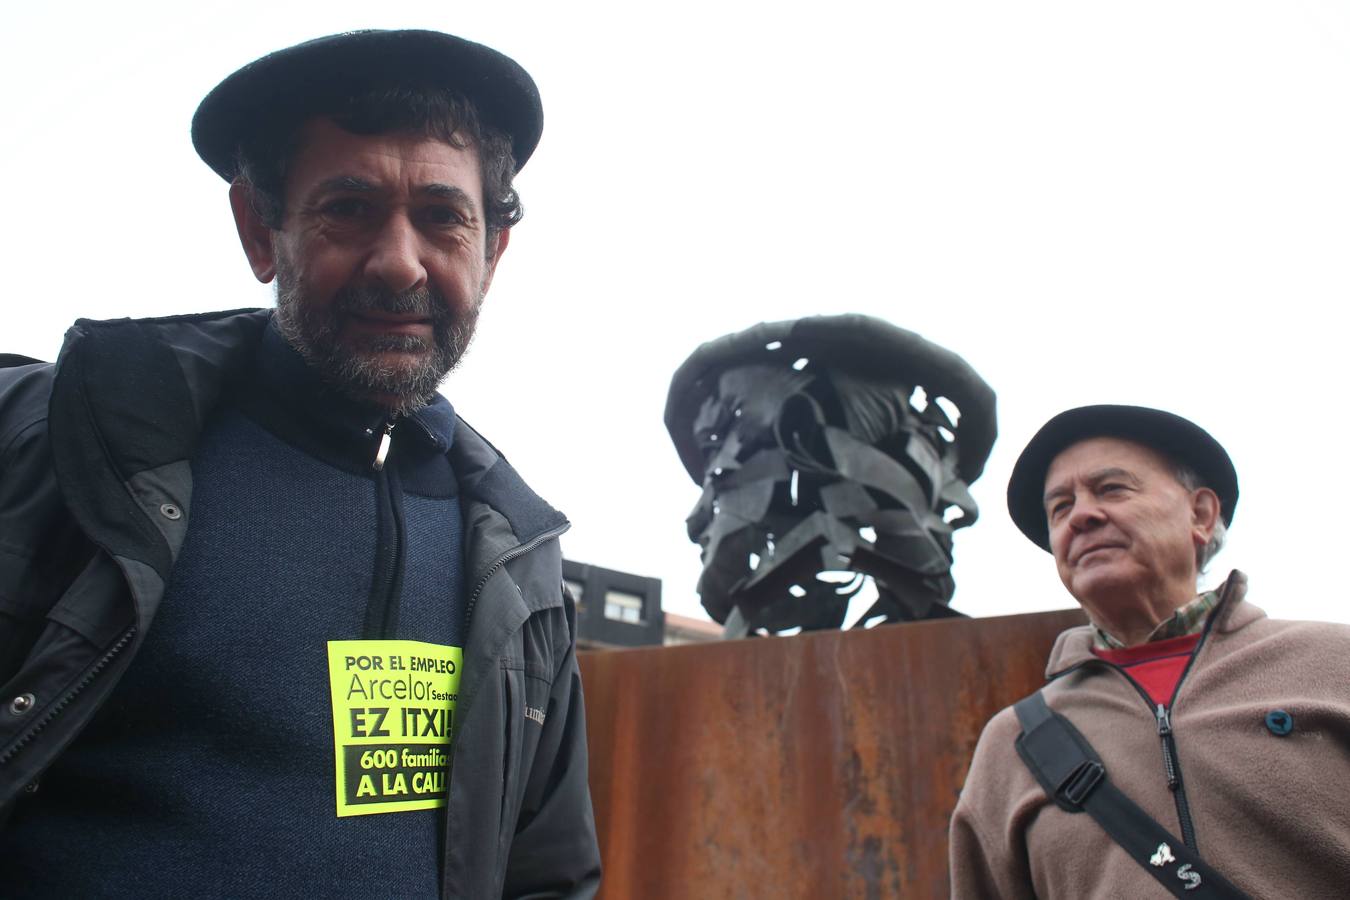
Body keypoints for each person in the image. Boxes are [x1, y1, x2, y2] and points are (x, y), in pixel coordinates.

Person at [0, 30, 600, 898]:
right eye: (348, 208)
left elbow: (548, 874)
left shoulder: (522, 565)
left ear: (491, 251)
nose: (400, 262)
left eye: (443, 217)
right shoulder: (62, 446)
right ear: (259, 229)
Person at [949, 404, 1350, 898]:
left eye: (1111, 488)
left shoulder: (1335, 664)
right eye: (1060, 507)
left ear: (1201, 514)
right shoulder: (1012, 744)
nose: (1082, 516)